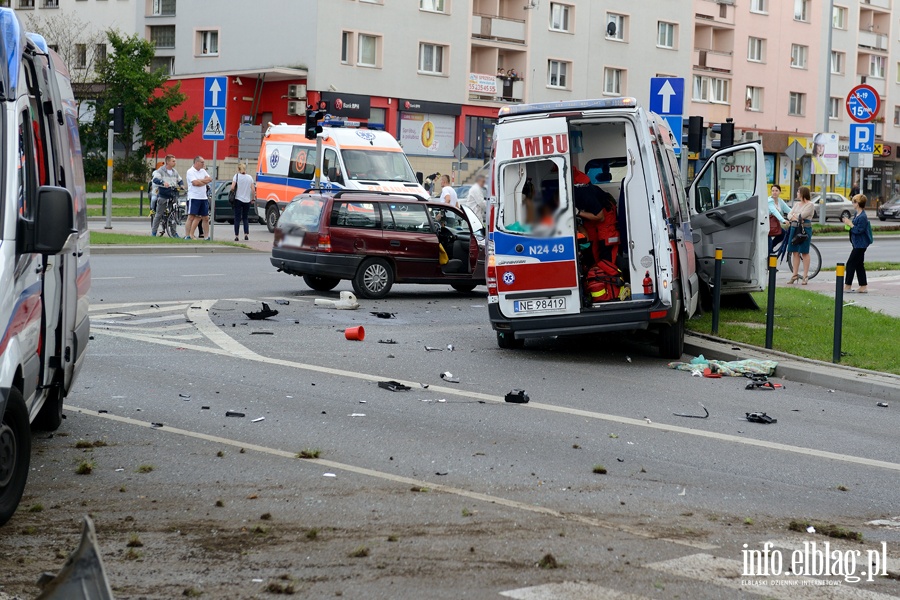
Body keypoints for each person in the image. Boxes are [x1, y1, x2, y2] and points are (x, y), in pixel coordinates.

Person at [842, 194, 872, 294]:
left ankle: (847, 286)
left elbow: (859, 230)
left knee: (850, 263)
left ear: (858, 203)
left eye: (854, 201)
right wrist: (848, 223)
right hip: (857, 244)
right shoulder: (857, 214)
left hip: (861, 245)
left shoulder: (863, 216)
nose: (852, 203)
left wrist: (850, 224)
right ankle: (863, 286)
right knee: (859, 264)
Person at [786, 186, 816, 284]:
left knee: (804, 251)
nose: (797, 194)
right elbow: (789, 215)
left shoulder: (810, 205)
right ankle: (794, 275)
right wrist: (794, 216)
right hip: (794, 228)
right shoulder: (796, 204)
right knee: (794, 251)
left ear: (803, 193)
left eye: (798, 192)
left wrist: (795, 216)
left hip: (804, 229)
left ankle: (805, 276)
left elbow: (801, 216)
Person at [150, 155, 183, 237]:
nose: (175, 162)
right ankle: (154, 232)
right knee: (159, 214)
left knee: (173, 215)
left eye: (175, 161)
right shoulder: (161, 170)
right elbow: (155, 179)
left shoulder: (175, 172)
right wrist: (163, 182)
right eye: (173, 161)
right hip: (163, 195)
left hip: (172, 195)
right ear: (168, 162)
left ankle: (174, 233)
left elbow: (180, 179)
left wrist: (181, 185)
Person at [184, 156, 212, 240]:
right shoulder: (190, 171)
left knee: (205, 217)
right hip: (194, 197)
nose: (203, 164)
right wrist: (203, 181)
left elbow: (209, 179)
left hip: (203, 197)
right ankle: (187, 235)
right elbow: (195, 183)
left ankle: (206, 236)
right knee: (191, 217)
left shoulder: (203, 171)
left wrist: (201, 181)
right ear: (197, 163)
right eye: (202, 162)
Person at [232, 162, 256, 241]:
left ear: (238, 169)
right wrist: (252, 199)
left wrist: (233, 190)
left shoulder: (236, 176)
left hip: (238, 199)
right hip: (247, 200)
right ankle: (246, 234)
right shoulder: (249, 177)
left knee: (237, 218)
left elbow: (232, 187)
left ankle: (236, 236)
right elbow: (253, 190)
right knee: (245, 218)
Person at [767, 184, 791, 254]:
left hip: (774, 225)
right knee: (769, 245)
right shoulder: (769, 201)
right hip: (767, 225)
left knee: (783, 234)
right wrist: (783, 220)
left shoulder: (780, 201)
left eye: (776, 191)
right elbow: (774, 211)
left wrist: (797, 215)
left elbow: (788, 210)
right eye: (773, 191)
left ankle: (770, 248)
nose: (774, 192)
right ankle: (768, 261)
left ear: (780, 192)